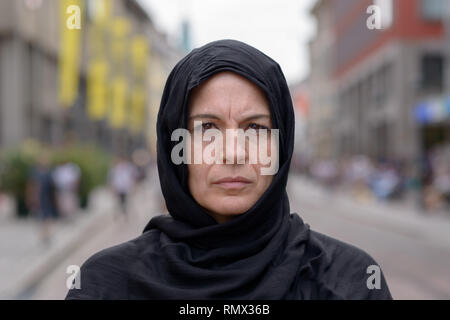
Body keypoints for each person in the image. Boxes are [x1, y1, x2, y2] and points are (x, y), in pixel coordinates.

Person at [66, 40, 392, 300]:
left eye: (255, 128)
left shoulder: (350, 282)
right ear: (174, 146)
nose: (234, 153)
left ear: (282, 146)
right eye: (207, 128)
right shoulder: (105, 285)